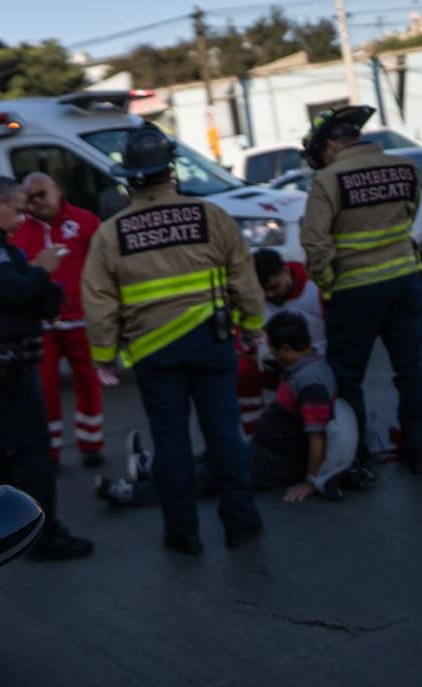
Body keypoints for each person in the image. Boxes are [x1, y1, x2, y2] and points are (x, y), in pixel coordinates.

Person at [82, 124, 267, 555]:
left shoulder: (112, 233)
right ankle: (242, 523)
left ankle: (183, 533)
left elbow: (99, 301)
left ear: (128, 178)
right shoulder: (211, 216)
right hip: (212, 341)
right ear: (171, 171)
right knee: (224, 435)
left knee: (170, 442)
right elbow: (244, 277)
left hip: (152, 352)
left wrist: (104, 358)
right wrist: (253, 327)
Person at [0, 176, 94, 560]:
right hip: (3, 361)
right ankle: (44, 534)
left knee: (12, 451)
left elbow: (21, 293)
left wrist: (40, 286)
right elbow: (14, 291)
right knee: (30, 453)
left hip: (2, 358)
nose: (22, 220)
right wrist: (42, 270)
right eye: (19, 210)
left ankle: (19, 530)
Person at [96, 312, 362, 506]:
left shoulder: (310, 384)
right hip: (263, 450)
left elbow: (317, 435)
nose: (270, 355)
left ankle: (130, 494)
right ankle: (150, 467)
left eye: (272, 349)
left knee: (201, 478)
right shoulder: (306, 364)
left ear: (287, 349)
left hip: (273, 464)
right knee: (210, 455)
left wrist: (311, 481)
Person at [300, 104, 422, 474]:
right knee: (411, 367)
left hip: (355, 290)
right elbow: (408, 217)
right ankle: (420, 446)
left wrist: (328, 285)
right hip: (406, 282)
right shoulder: (406, 168)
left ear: (329, 146)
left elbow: (315, 245)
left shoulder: (327, 181)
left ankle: (357, 454)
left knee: (348, 377)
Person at [9, 172, 105, 466]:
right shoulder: (17, 231)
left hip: (82, 321)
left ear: (58, 189)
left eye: (42, 193)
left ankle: (91, 444)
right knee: (45, 389)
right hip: (42, 327)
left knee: (89, 383)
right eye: (31, 198)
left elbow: (105, 264)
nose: (38, 202)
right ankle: (49, 451)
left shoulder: (86, 221)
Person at [237, 248, 327, 436]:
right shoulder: (255, 298)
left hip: (318, 369)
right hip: (278, 366)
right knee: (241, 369)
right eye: (264, 291)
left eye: (274, 287)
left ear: (285, 272)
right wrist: (254, 351)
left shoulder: (316, 289)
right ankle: (254, 437)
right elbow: (240, 339)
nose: (269, 295)